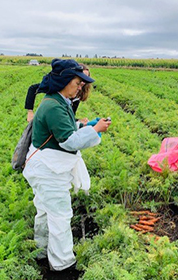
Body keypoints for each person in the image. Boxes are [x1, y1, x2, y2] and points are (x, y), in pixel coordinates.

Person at [22, 58, 111, 272]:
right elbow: (69, 142)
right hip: (48, 171)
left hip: (44, 166)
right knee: (60, 215)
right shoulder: (53, 105)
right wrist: (96, 130)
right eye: (78, 82)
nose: (81, 87)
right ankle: (62, 265)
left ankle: (41, 250)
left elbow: (67, 128)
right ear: (64, 80)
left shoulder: (58, 101)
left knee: (44, 210)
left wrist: (85, 124)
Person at [25, 63, 92, 123]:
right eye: (81, 78)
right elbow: (32, 89)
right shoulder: (58, 87)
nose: (83, 82)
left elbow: (68, 118)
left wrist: (79, 121)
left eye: (86, 78)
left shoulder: (77, 95)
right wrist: (30, 111)